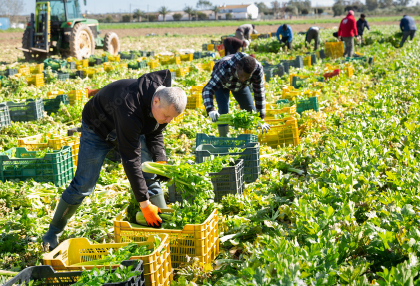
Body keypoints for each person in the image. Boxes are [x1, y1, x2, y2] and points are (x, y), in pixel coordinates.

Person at [42, 70, 187, 251]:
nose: (168, 121)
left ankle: (163, 230)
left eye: (172, 118)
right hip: (98, 130)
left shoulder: (164, 104)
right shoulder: (130, 106)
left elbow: (155, 132)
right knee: (83, 185)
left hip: (130, 128)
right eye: (167, 116)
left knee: (150, 175)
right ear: (156, 101)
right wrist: (144, 204)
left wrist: (160, 160)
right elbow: (131, 158)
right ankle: (53, 232)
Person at [202, 52, 270, 137]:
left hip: (240, 87)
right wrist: (210, 109)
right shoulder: (225, 67)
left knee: (251, 111)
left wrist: (260, 118)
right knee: (223, 111)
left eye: (247, 77)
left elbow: (259, 94)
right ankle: (224, 139)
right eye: (241, 75)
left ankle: (251, 137)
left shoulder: (257, 70)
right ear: (237, 67)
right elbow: (208, 89)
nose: (243, 79)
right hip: (222, 84)